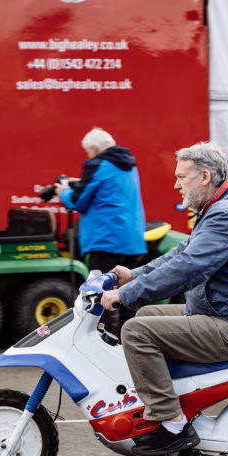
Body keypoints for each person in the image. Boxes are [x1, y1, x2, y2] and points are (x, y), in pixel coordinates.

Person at [100, 142, 228, 456]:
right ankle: (172, 398)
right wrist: (133, 275)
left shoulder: (226, 214)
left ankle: (173, 424)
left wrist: (124, 295)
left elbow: (188, 268)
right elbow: (182, 253)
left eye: (182, 176)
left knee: (135, 333)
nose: (176, 184)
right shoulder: (218, 207)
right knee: (148, 316)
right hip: (219, 310)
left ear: (204, 176)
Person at [56, 128, 146, 337]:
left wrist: (63, 191)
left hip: (106, 241)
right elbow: (108, 188)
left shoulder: (97, 165)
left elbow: (77, 201)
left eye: (88, 153)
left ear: (94, 149)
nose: (88, 157)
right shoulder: (128, 165)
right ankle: (128, 345)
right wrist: (77, 183)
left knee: (104, 298)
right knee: (126, 298)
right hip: (133, 241)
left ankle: (108, 346)